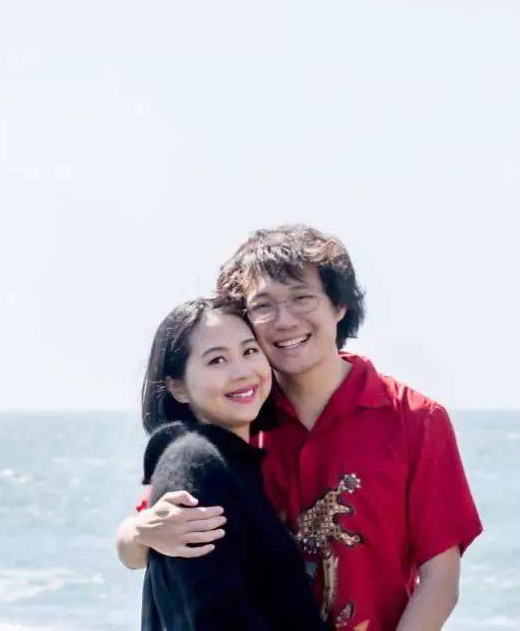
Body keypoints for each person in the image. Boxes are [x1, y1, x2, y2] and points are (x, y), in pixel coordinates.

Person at [117, 225, 483, 631]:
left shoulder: (414, 418)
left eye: (301, 298)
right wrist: (139, 533)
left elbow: (440, 579)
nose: (285, 320)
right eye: (263, 306)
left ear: (339, 305)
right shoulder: (239, 416)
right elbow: (140, 541)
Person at [137, 297, 327, 630]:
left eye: (249, 351)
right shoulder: (196, 466)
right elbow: (215, 617)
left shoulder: (233, 464)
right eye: (217, 360)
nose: (242, 372)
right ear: (177, 387)